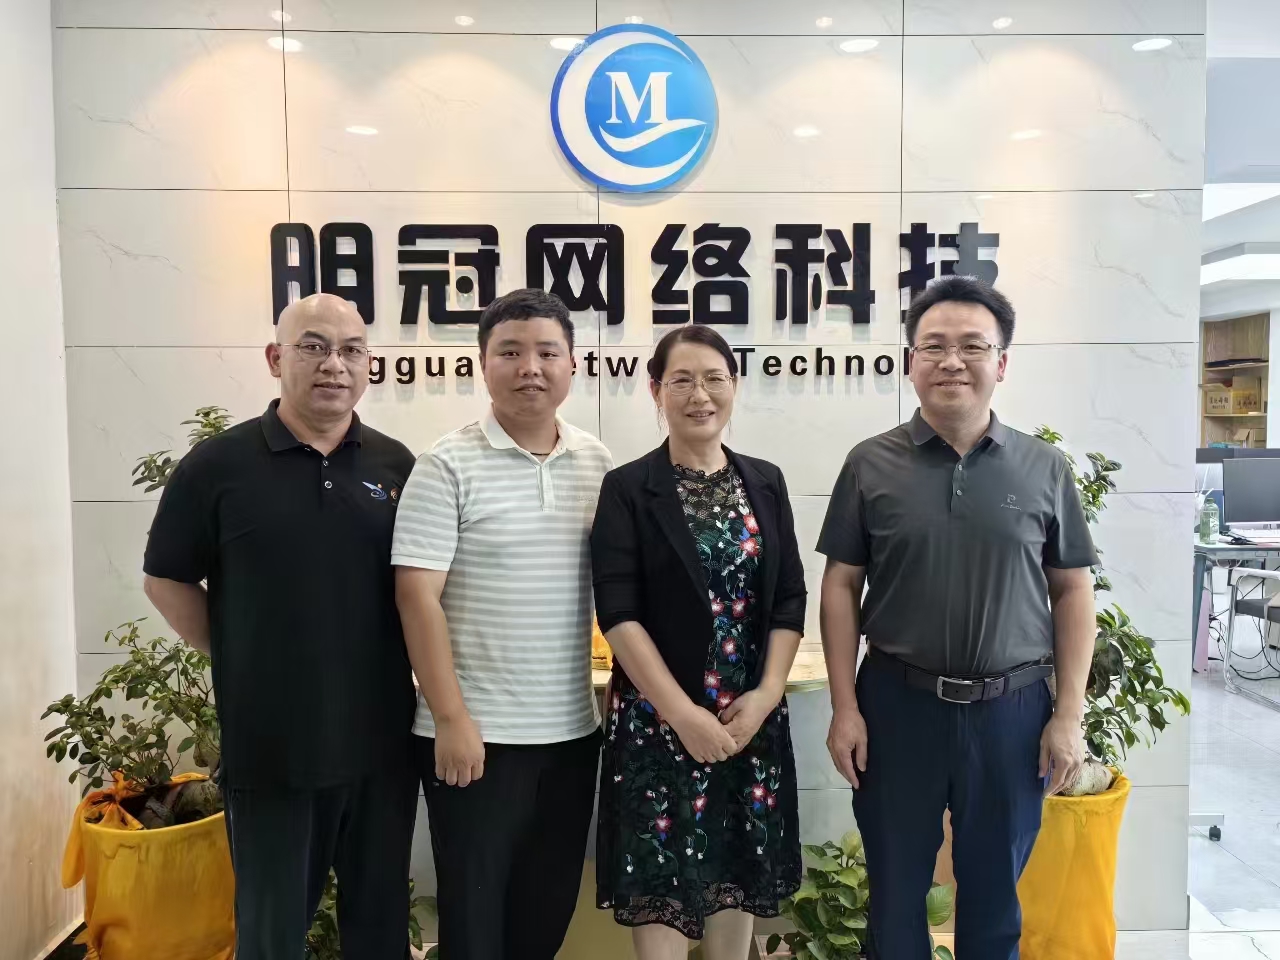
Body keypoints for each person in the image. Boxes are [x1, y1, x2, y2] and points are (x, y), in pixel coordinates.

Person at [817, 275, 1098, 959]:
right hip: (896, 706)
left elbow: (1072, 591)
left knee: (996, 900)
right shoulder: (869, 464)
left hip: (1012, 714)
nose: (952, 361)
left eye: (973, 346)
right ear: (909, 360)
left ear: (1001, 363)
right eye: (934, 346)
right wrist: (845, 707)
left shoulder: (1043, 467)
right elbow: (840, 587)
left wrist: (1068, 714)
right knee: (894, 894)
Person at [142, 293, 419, 960]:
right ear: (275, 358)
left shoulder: (395, 466)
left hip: (382, 745)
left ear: (369, 363)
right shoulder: (218, 466)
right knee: (271, 935)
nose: (334, 365)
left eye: (351, 350)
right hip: (272, 747)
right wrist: (237, 652)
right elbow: (165, 578)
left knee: (379, 928)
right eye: (313, 347)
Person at [391, 288, 612, 960]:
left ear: (572, 364)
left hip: (571, 733)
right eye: (510, 352)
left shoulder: (598, 464)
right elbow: (416, 597)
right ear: (482, 363)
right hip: (476, 738)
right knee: (474, 919)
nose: (530, 368)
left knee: (547, 910)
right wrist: (451, 718)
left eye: (547, 352)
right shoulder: (445, 464)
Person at [591, 325, 806, 960]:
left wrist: (765, 695)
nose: (699, 395)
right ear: (655, 391)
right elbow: (619, 613)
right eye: (681, 380)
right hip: (659, 724)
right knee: (661, 883)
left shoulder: (765, 481)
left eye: (714, 378)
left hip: (747, 722)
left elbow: (789, 598)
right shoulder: (628, 488)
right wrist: (682, 715)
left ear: (734, 385)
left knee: (736, 873)